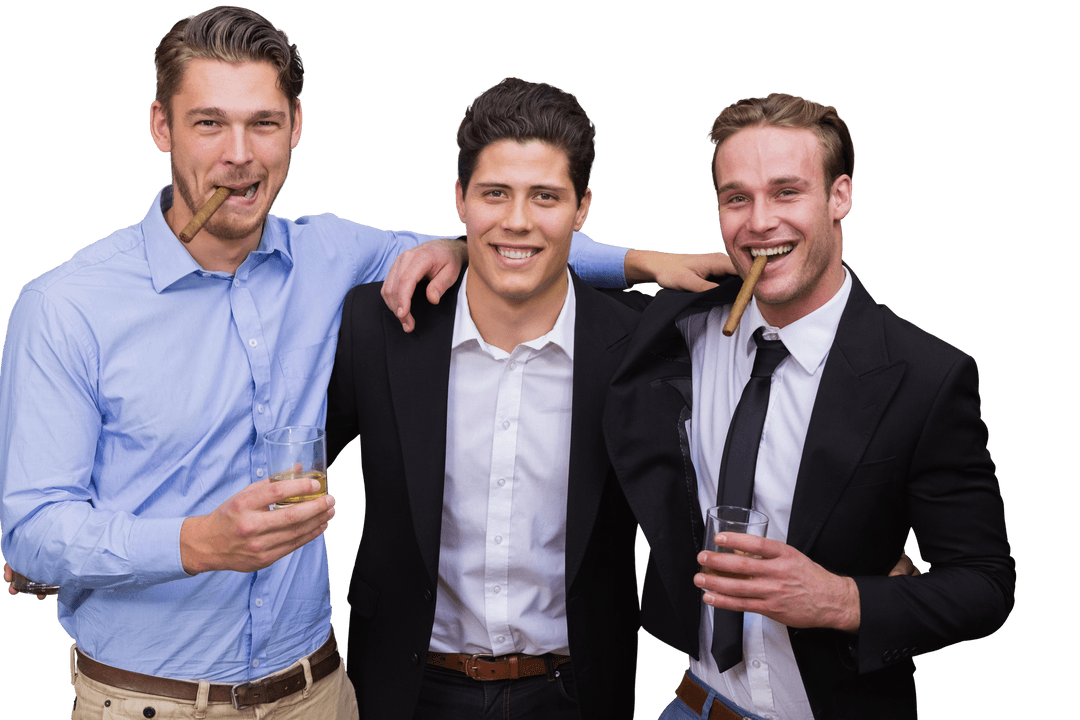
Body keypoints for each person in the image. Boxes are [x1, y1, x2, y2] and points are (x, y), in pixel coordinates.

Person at [0, 7, 731, 719]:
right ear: (162, 125)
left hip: (315, 693)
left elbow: (511, 243)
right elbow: (29, 530)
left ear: (295, 126)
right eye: (209, 123)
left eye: (263, 123)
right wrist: (195, 543)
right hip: (147, 699)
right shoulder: (66, 305)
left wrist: (640, 262)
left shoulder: (334, 257)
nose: (239, 154)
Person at [604, 93, 1015, 719]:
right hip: (694, 703)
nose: (759, 221)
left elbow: (985, 584)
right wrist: (461, 250)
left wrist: (842, 600)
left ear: (839, 196)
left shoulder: (927, 376)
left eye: (786, 192)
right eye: (736, 198)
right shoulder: (679, 329)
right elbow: (529, 255)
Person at [324, 76, 682, 720]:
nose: (517, 220)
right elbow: (289, 455)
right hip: (405, 687)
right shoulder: (377, 327)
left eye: (545, 196)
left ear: (582, 208)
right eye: (495, 193)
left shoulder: (638, 343)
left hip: (575, 691)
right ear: (460, 200)